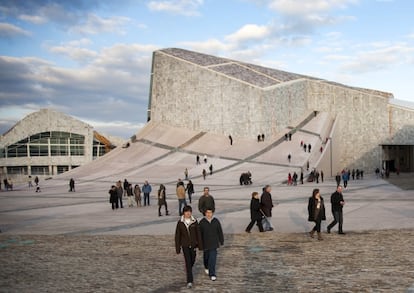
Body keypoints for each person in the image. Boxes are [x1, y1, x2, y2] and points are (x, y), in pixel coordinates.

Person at [175, 205, 203, 289]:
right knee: (187, 262)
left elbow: (198, 234)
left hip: (193, 245)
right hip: (185, 245)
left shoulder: (194, 221)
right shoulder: (180, 222)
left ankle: (188, 269)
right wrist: (177, 248)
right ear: (183, 213)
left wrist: (200, 245)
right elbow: (177, 236)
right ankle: (189, 281)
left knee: (192, 260)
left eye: (189, 211)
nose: (188, 213)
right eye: (186, 212)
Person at [199, 209, 224, 281]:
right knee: (206, 257)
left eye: (210, 212)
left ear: (212, 213)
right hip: (205, 243)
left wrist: (221, 240)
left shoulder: (216, 221)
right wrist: (199, 243)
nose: (209, 214)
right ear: (205, 213)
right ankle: (206, 266)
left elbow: (219, 231)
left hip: (214, 243)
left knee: (212, 259)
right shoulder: (202, 222)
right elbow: (199, 234)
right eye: (207, 212)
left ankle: (212, 274)